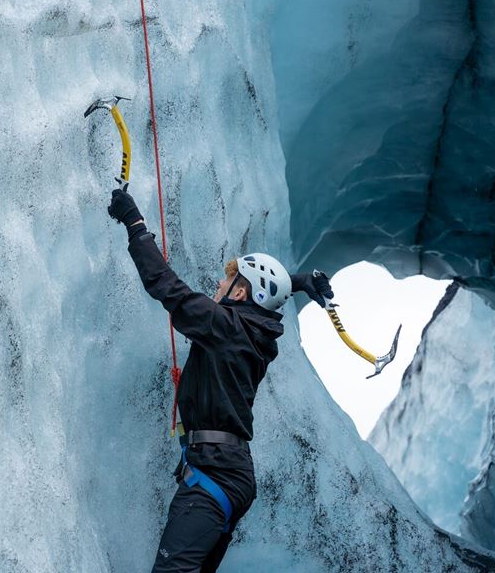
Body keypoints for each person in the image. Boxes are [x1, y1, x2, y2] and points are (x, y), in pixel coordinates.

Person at [108, 187, 333, 572]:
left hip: (213, 474)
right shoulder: (254, 333)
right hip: (229, 474)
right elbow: (262, 304)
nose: (217, 286)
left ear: (241, 291)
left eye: (226, 282)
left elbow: (167, 287)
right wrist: (295, 282)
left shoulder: (227, 326)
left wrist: (135, 223)